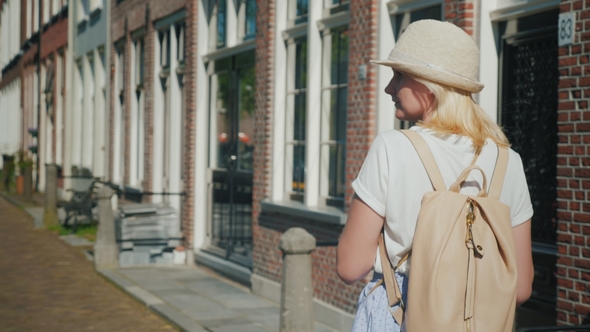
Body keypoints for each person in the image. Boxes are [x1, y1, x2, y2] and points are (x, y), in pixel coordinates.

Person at [336, 19, 534, 331]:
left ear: (428, 87)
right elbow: (521, 287)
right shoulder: (509, 161)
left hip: (400, 310)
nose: (389, 87)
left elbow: (350, 266)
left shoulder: (392, 146)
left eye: (399, 75)